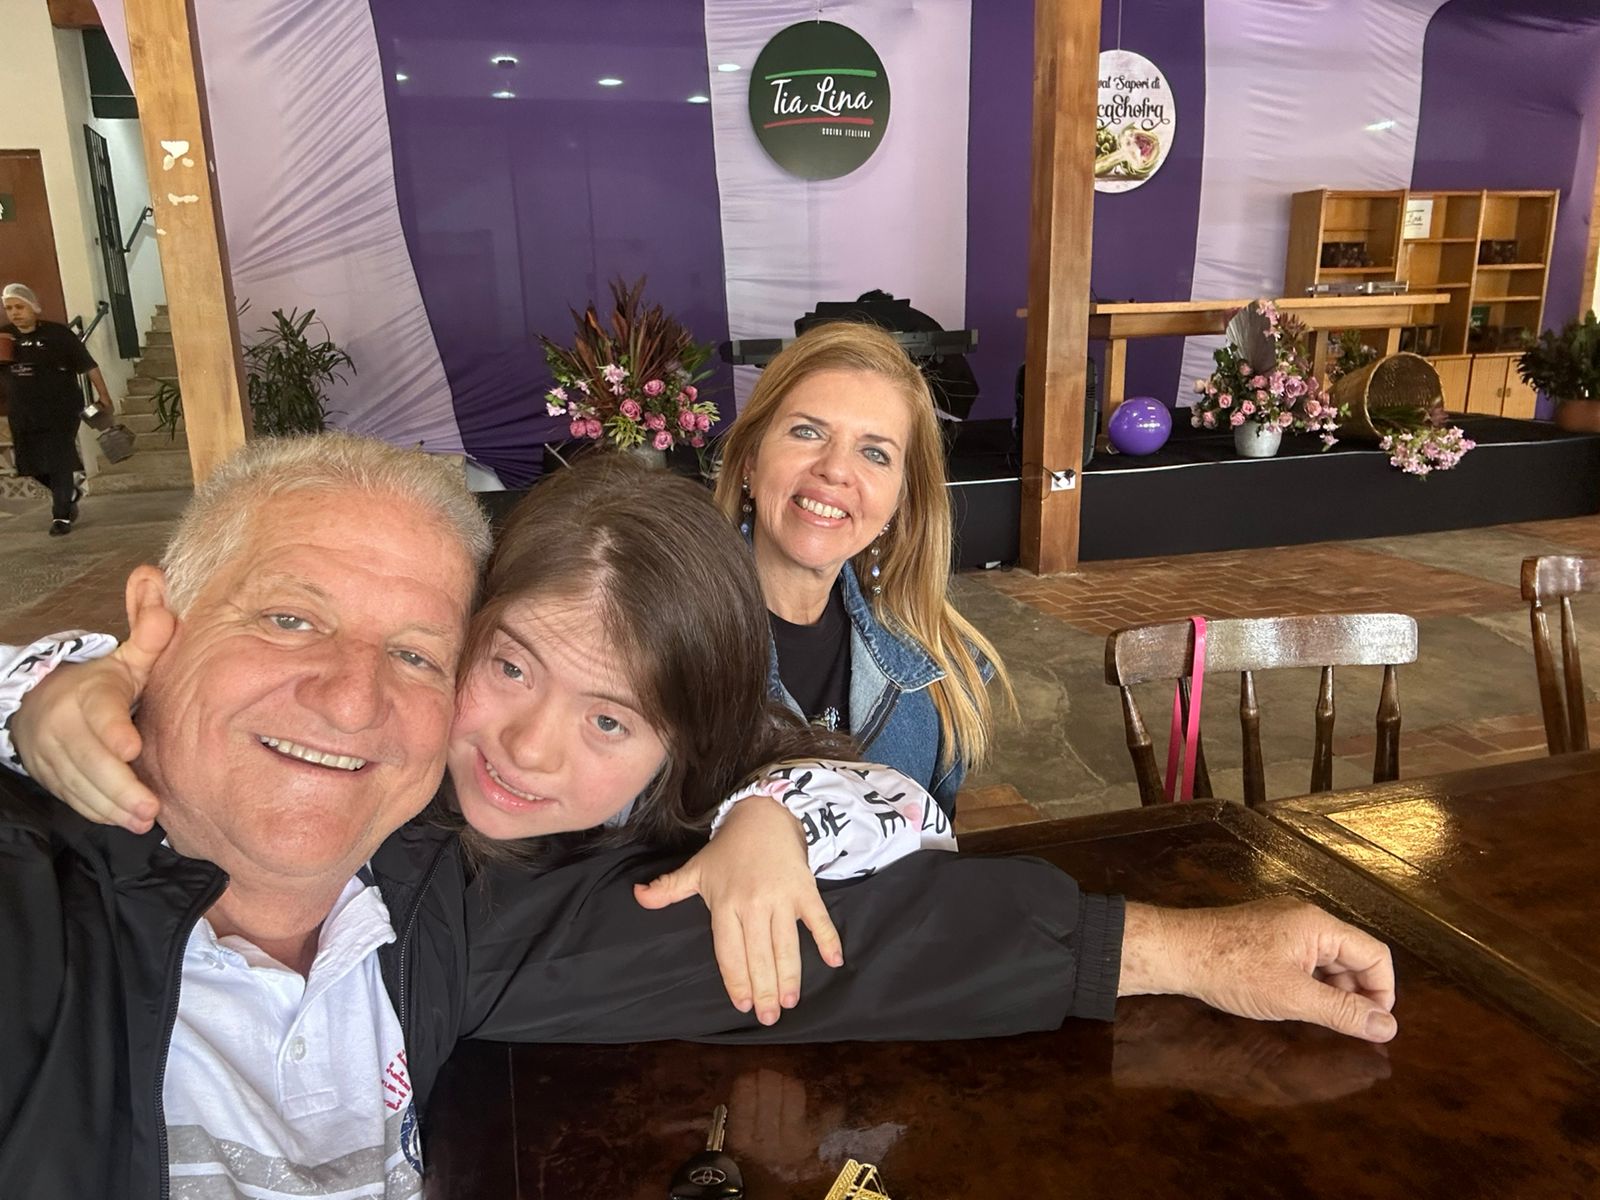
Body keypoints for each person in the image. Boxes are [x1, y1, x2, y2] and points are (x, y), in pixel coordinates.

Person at [0, 433, 1397, 1200]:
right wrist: (35, 691)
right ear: (150, 626)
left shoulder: (447, 898)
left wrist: (1198, 948)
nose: (353, 696)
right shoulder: (42, 912)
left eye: (416, 652)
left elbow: (844, 935)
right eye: (288, 618)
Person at [3, 454, 958, 1019]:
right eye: (509, 669)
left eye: (610, 720)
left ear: (681, 743)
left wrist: (770, 822)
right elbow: (214, 686)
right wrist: (56, 686)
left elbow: (916, 811)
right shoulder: (384, 776)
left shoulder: (699, 793)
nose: (530, 749)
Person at [714, 321, 1011, 814]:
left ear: (900, 500)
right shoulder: (657, 642)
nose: (835, 469)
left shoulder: (938, 670)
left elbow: (931, 851)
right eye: (807, 432)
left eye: (875, 453)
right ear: (750, 459)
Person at [1, 282, 113, 535]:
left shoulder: (58, 334)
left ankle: (61, 516)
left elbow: (88, 365)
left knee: (59, 460)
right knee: (30, 465)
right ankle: (68, 493)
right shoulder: (5, 337)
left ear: (33, 307)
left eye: (19, 307)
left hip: (61, 409)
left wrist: (104, 395)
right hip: (23, 412)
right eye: (9, 308)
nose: (14, 312)